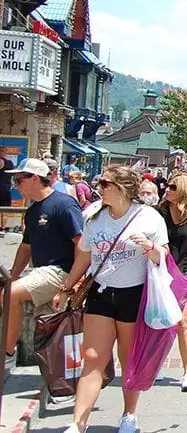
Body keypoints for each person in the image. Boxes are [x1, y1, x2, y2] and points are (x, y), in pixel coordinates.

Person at [61, 165, 170, 433]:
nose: (99, 188)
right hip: (101, 291)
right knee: (93, 357)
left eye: (105, 184)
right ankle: (78, 423)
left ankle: (129, 415)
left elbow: (163, 257)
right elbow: (84, 256)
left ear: (121, 188)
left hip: (134, 293)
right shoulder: (94, 218)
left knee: (128, 358)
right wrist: (66, 287)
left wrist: (150, 248)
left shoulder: (148, 217)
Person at [2, 159, 85, 374]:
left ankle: (7, 353)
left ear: (35, 179)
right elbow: (25, 247)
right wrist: (12, 275)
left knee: (10, 294)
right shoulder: (32, 211)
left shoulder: (63, 204)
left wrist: (72, 283)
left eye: (19, 180)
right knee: (52, 333)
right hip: (40, 271)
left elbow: (82, 244)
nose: (15, 185)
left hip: (60, 271)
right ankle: (61, 381)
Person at [158, 172, 187, 392]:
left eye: (172, 186)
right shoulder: (158, 213)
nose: (167, 189)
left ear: (184, 190)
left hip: (184, 273)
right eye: (167, 186)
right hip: (159, 272)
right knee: (159, 321)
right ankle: (155, 365)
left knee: (182, 322)